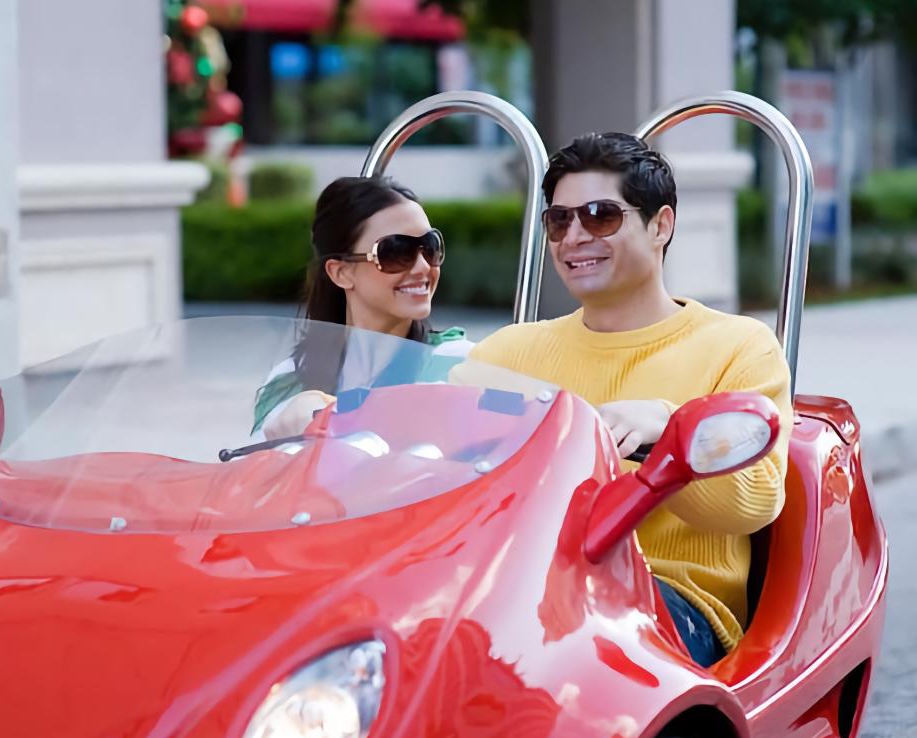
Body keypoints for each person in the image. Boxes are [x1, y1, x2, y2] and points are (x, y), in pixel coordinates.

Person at [464, 133, 794, 666]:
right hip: (517, 585)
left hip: (670, 600)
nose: (575, 237)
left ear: (661, 225)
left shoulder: (738, 345)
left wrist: (669, 429)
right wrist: (338, 415)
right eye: (559, 221)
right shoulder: (507, 353)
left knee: (561, 636)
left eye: (600, 216)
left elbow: (755, 504)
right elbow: (428, 445)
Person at [254, 176, 472, 438]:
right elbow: (257, 460)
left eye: (430, 247)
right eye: (395, 251)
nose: (423, 267)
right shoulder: (290, 381)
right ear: (341, 273)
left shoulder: (460, 365)